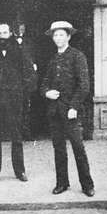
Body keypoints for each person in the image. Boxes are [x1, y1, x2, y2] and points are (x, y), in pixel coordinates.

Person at [40, 20, 95, 197]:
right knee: (59, 149)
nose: (58, 38)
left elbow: (84, 85)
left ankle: (87, 185)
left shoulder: (77, 56)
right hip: (54, 111)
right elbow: (44, 83)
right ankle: (62, 183)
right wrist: (47, 93)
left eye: (61, 35)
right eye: (55, 35)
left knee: (78, 148)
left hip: (72, 112)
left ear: (69, 36)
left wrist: (74, 107)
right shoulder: (53, 59)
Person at [0, 22, 36, 183]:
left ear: (10, 33)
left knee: (16, 135)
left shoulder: (20, 50)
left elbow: (29, 72)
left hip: (15, 98)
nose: (2, 36)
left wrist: (23, 92)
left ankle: (20, 171)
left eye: (4, 33)